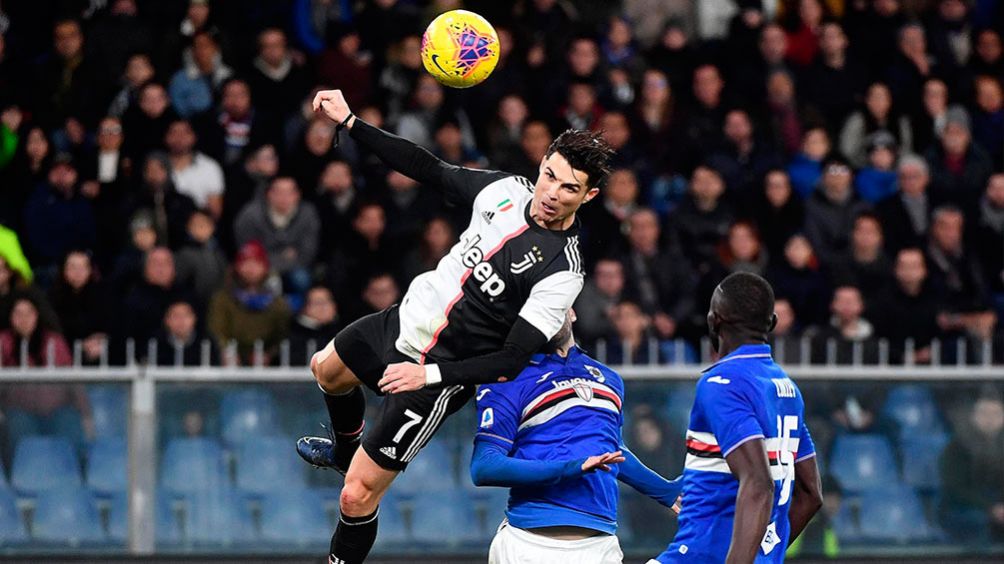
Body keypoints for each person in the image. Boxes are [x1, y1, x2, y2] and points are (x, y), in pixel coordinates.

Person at [295, 89, 614, 564]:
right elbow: (427, 167)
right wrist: (351, 122)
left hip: (437, 374)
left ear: (588, 196)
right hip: (404, 320)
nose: (552, 193)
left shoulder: (562, 272)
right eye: (550, 176)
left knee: (355, 497)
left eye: (569, 188)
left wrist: (426, 377)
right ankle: (346, 451)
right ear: (542, 164)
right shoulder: (505, 190)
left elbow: (510, 362)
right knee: (325, 370)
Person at [471, 312, 681, 563]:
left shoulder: (609, 378)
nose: (547, 309)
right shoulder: (507, 378)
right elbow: (484, 466)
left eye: (554, 301)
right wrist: (571, 468)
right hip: (529, 545)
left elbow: (613, 451)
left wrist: (664, 490)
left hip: (601, 545)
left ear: (571, 311)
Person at [649, 272, 822, 563]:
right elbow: (811, 494)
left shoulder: (721, 382)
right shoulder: (787, 389)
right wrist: (764, 554)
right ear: (773, 324)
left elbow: (758, 482)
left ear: (714, 321)